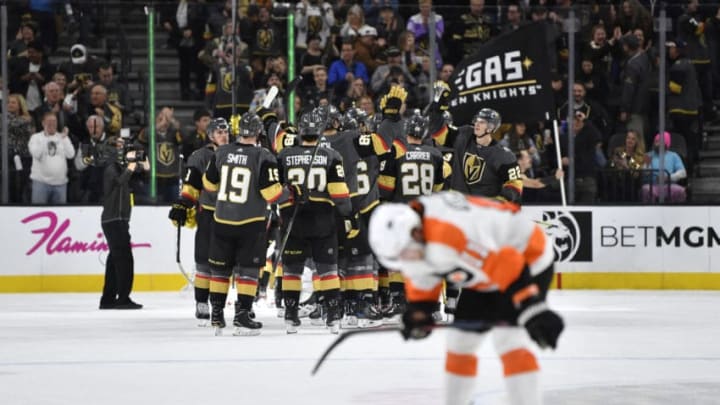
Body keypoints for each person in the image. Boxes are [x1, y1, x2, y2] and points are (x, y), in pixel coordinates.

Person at [368, 191, 564, 405]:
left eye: (406, 254)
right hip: (487, 266)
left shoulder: (448, 234)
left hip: (527, 257)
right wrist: (419, 310)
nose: (407, 260)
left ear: (415, 233)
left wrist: (532, 309)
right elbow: (422, 274)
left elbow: (506, 264)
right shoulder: (416, 234)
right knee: (460, 341)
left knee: (509, 341)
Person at [201, 112, 283, 335]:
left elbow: (208, 184)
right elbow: (271, 194)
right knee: (248, 270)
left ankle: (216, 314)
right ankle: (243, 315)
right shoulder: (263, 155)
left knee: (220, 269)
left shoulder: (222, 151)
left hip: (222, 219)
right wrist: (292, 193)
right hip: (250, 222)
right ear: (258, 132)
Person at [276, 110, 353, 334]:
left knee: (292, 269)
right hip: (322, 218)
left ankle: (290, 315)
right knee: (328, 269)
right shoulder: (331, 155)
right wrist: (348, 215)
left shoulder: (284, 154)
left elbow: (274, 190)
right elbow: (339, 194)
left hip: (293, 216)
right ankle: (333, 317)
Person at [377, 111, 447, 321]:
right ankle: (432, 306)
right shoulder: (435, 154)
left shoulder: (397, 153)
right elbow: (438, 188)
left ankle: (399, 302)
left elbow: (385, 188)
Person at [168, 117, 230, 322]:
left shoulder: (237, 154)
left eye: (226, 132)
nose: (224, 135)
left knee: (226, 263)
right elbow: (191, 184)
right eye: (219, 132)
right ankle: (202, 301)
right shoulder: (200, 156)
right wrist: (182, 204)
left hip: (233, 216)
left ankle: (231, 305)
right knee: (204, 261)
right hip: (209, 214)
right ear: (210, 135)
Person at [99, 141, 150, 310]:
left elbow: (144, 174)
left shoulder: (121, 168)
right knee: (124, 259)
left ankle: (107, 299)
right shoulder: (111, 169)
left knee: (115, 259)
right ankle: (123, 298)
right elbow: (120, 182)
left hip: (119, 220)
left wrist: (143, 164)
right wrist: (131, 166)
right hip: (113, 219)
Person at [28, 112, 76, 205]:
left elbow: (71, 155)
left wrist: (65, 138)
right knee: (39, 215)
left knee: (59, 215)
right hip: (40, 184)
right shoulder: (36, 138)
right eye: (49, 121)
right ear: (43, 123)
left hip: (60, 184)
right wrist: (46, 137)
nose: (51, 123)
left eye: (54, 121)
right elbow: (37, 154)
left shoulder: (62, 137)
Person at [641, 132, 687, 203]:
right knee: (646, 189)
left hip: (670, 185)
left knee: (680, 191)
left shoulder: (674, 155)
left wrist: (668, 177)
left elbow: (683, 173)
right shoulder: (648, 155)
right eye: (656, 141)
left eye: (659, 142)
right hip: (652, 185)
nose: (657, 144)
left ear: (666, 143)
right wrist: (649, 170)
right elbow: (645, 171)